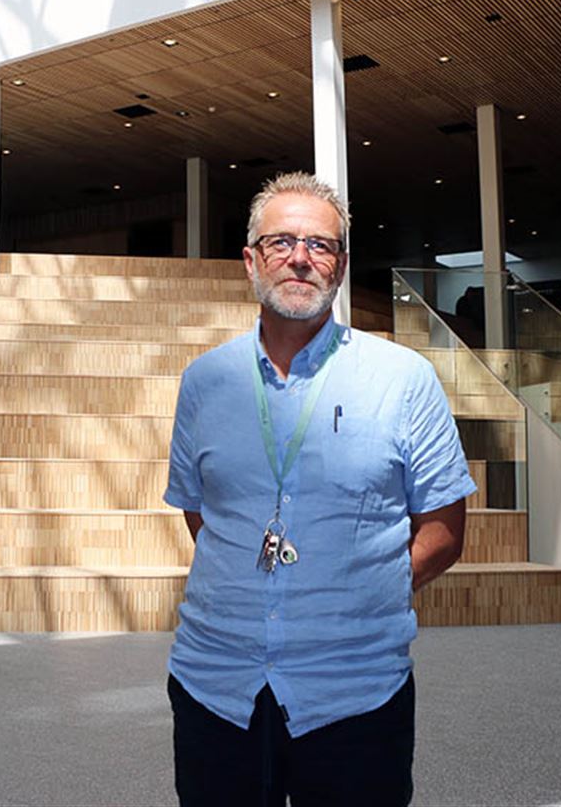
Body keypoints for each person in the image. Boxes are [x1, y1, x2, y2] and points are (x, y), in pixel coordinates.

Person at [165, 171, 474, 806]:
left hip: (355, 694)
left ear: (340, 266)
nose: (301, 258)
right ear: (250, 260)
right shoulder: (204, 382)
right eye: (281, 242)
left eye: (321, 245)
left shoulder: (404, 380)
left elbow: (444, 531)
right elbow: (202, 516)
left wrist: (359, 594)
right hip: (214, 689)